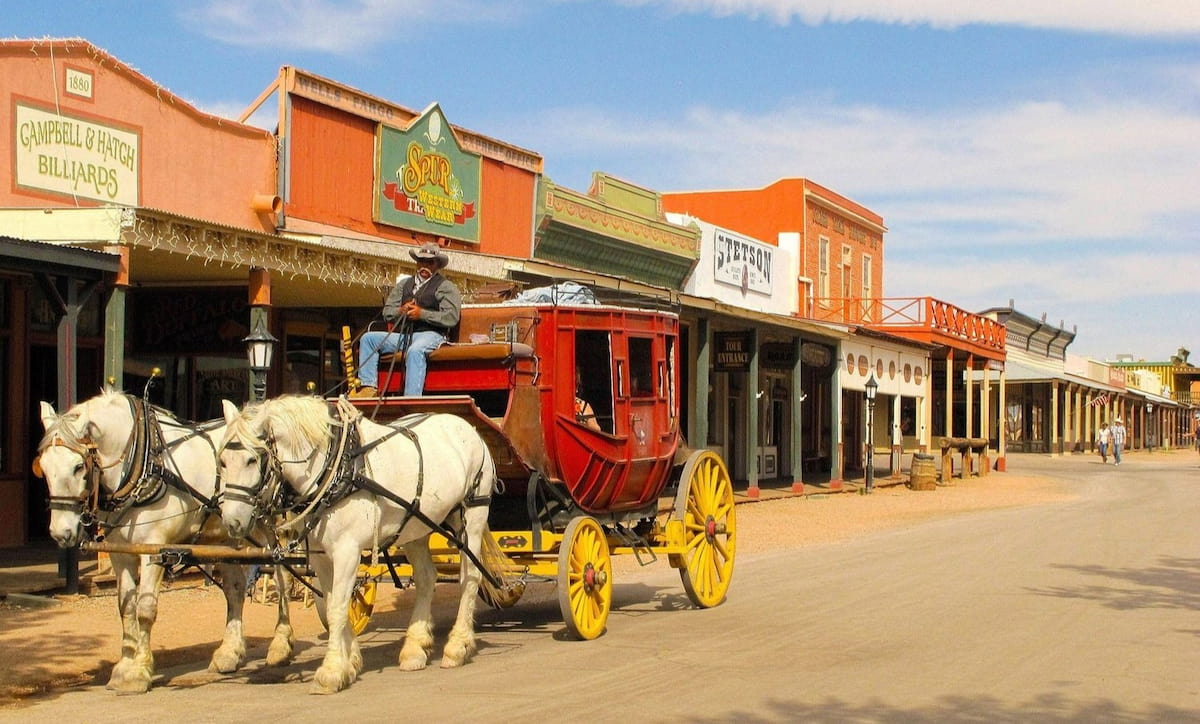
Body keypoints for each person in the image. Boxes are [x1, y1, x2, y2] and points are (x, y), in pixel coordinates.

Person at [350, 242, 462, 398]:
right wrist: (401, 311)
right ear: (417, 262)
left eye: (430, 262)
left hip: (431, 335)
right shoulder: (404, 285)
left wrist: (421, 314)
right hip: (404, 335)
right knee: (368, 339)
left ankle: (412, 399)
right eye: (422, 261)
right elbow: (387, 312)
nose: (425, 265)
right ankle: (368, 387)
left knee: (415, 351)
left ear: (437, 265)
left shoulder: (446, 286)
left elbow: (451, 317)